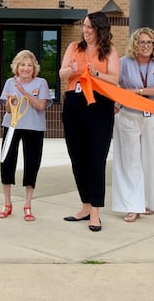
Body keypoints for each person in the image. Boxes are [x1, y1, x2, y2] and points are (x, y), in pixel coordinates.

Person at [59, 12, 120, 232]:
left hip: (99, 105)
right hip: (74, 103)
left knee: (96, 159)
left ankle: (96, 211)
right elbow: (61, 73)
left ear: (100, 29)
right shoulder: (75, 46)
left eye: (89, 27)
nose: (85, 30)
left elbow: (114, 78)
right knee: (77, 157)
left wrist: (95, 74)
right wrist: (73, 70)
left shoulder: (109, 50)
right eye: (84, 26)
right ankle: (84, 206)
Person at [111, 27, 154, 222]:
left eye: (149, 42)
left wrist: (139, 92)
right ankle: (132, 205)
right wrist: (117, 103)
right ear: (135, 44)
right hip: (128, 115)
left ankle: (147, 202)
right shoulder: (123, 63)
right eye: (141, 42)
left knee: (148, 158)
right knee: (131, 160)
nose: (145, 46)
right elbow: (114, 86)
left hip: (152, 116)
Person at [0, 50, 52, 222]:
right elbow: (6, 108)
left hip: (34, 128)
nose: (26, 68)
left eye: (29, 65)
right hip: (12, 126)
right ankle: (7, 203)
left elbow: (41, 106)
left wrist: (24, 92)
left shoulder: (41, 83)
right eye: (22, 64)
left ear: (34, 67)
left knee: (32, 164)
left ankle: (27, 205)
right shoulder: (9, 82)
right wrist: (12, 102)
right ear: (17, 67)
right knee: (7, 162)